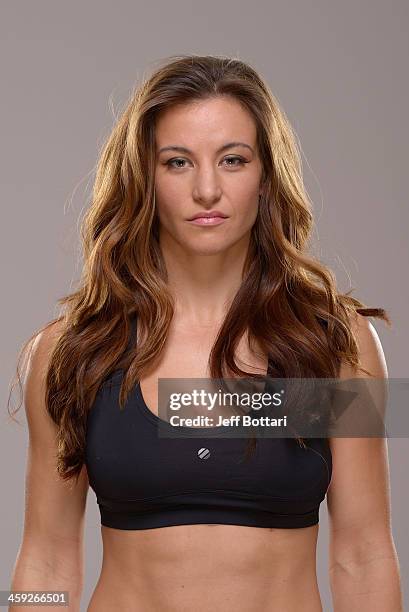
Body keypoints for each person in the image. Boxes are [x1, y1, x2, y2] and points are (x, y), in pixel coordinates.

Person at [8, 54, 402, 612]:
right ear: (145, 177)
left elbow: (363, 553)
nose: (208, 189)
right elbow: (47, 558)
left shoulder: (329, 344)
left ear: (266, 175)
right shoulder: (75, 352)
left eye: (233, 160)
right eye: (178, 162)